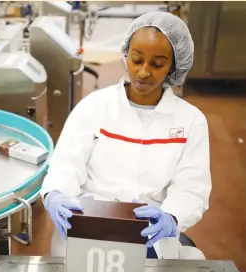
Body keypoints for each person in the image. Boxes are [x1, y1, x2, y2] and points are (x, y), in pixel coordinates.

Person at [40, 11, 211, 260]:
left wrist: (171, 217)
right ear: (125, 55)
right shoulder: (94, 106)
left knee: (195, 260)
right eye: (137, 59)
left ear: (173, 65)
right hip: (89, 228)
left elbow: (191, 187)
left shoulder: (190, 121)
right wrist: (56, 195)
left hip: (152, 234)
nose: (143, 72)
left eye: (157, 64)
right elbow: (65, 164)